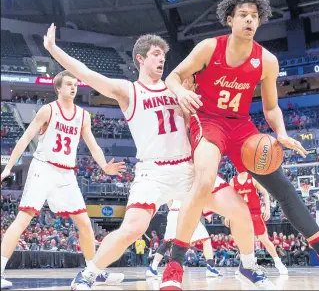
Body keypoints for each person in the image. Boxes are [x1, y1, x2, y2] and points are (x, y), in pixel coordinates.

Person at [43, 25, 272, 290]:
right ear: (140, 58)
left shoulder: (177, 87)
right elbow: (87, 74)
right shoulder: (129, 91)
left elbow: (196, 121)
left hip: (188, 168)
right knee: (132, 229)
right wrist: (53, 49)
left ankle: (248, 265)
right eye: (155, 54)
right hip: (153, 173)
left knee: (240, 210)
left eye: (163, 55)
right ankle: (89, 273)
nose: (161, 58)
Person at [160, 0, 319, 289]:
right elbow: (173, 76)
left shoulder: (267, 61)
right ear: (230, 19)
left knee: (284, 190)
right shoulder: (208, 48)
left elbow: (271, 106)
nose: (250, 20)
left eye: (255, 16)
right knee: (205, 179)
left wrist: (282, 134)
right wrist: (182, 91)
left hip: (241, 127)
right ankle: (174, 266)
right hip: (208, 120)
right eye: (243, 15)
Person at [0, 71, 126, 289]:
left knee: (86, 224)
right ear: (58, 88)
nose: (73, 87)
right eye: (68, 84)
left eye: (75, 84)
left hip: (66, 174)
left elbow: (94, 146)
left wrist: (105, 166)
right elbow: (24, 139)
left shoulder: (83, 116)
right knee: (23, 219)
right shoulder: (47, 110)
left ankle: (92, 271)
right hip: (43, 168)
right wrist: (8, 168)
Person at [227, 172, 288, 274]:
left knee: (264, 240)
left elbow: (265, 192)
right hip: (241, 215)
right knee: (243, 242)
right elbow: (229, 199)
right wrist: (228, 214)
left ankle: (278, 263)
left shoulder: (253, 178)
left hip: (255, 213)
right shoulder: (233, 181)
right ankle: (244, 265)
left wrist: (267, 208)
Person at [146, 199, 222, 279]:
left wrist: (172, 206)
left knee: (167, 242)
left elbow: (168, 200)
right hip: (186, 213)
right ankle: (211, 268)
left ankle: (153, 268)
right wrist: (206, 212)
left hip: (174, 212)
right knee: (206, 239)